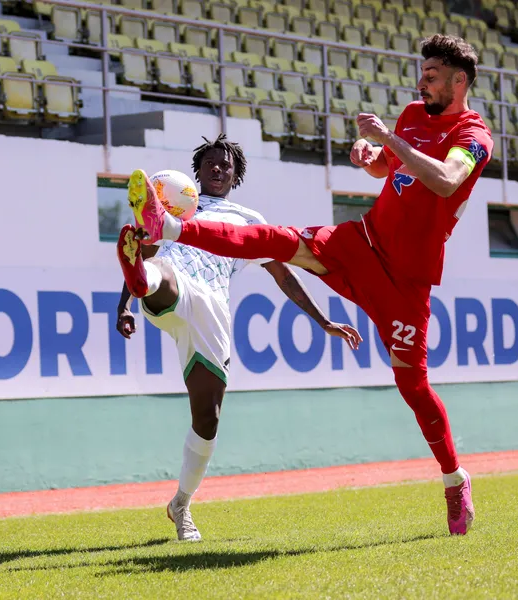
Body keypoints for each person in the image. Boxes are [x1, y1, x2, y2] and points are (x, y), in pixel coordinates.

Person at [123, 35, 494, 536]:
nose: (421, 82)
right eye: (422, 72)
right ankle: (170, 227)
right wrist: (371, 158)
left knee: (413, 385)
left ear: (459, 81)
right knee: (279, 241)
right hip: (363, 241)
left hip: (407, 278)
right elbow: (391, 168)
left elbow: (446, 180)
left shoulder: (474, 134)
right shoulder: (412, 114)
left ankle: (454, 479)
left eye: (432, 75)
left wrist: (389, 139)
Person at [115, 134, 362, 542]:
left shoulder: (249, 219)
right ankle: (145, 284)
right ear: (197, 172)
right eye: (210, 163)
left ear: (235, 174)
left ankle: (181, 504)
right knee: (160, 272)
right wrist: (124, 304)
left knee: (208, 419)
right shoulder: (178, 206)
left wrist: (323, 321)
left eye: (225, 164)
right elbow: (141, 251)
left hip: (213, 307)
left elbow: (283, 274)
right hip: (175, 283)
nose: (217, 168)